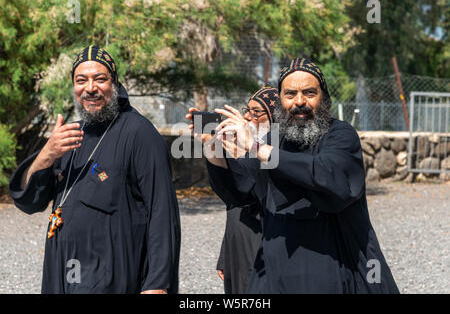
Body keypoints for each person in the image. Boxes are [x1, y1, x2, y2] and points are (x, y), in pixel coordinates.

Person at [213, 58, 400, 293]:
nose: (299, 102)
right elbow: (242, 192)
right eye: (290, 94)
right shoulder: (274, 139)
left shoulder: (340, 134)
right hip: (275, 269)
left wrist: (259, 149)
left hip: (330, 263)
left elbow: (326, 173)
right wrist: (213, 151)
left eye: (309, 93)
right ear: (280, 100)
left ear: (323, 96)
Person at [9, 45, 181, 294]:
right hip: (63, 277)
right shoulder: (69, 136)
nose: (90, 88)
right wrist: (47, 154)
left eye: (100, 79)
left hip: (112, 278)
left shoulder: (139, 133)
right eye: (81, 80)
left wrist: (157, 285)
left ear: (115, 84)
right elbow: (28, 202)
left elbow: (162, 212)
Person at [208, 87, 278, 294]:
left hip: (260, 238)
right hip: (237, 238)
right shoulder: (243, 145)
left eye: (256, 112)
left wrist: (245, 150)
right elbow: (230, 198)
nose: (247, 116)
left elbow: (249, 189)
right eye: (248, 109)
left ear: (273, 118)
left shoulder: (276, 152)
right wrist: (225, 253)